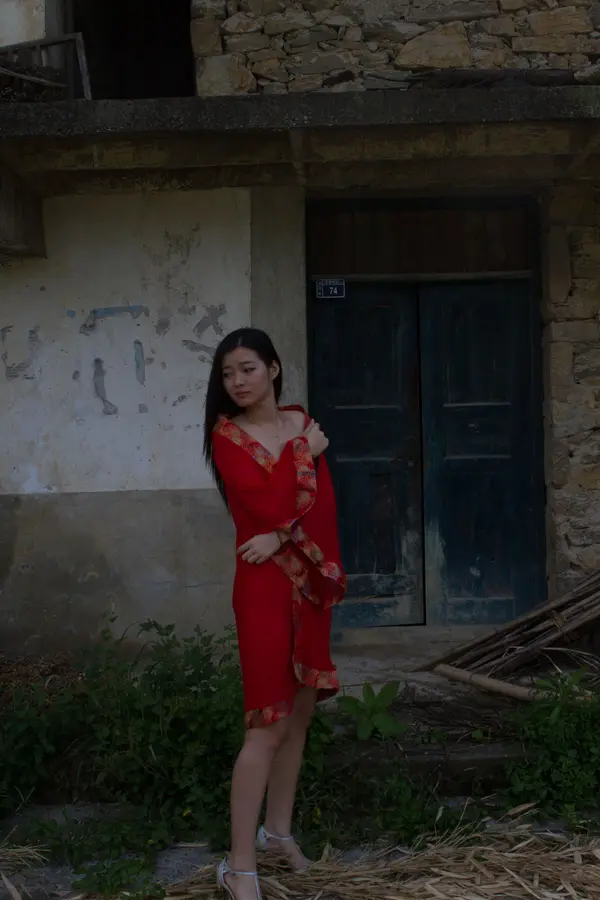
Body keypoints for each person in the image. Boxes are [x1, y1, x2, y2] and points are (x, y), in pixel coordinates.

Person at [203, 327, 346, 900]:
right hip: (261, 583)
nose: (237, 382)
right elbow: (264, 502)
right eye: (227, 374)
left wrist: (282, 535)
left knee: (300, 715)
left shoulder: (300, 420)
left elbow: (320, 505)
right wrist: (306, 455)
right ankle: (239, 866)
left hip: (306, 581)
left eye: (247, 369)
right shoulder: (227, 438)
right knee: (266, 724)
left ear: (274, 368)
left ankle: (277, 834)